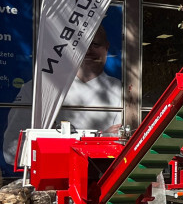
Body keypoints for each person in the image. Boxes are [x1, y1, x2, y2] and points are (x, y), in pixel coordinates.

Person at [3, 25, 122, 166]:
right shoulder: (36, 89)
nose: (89, 50)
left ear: (106, 48)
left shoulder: (121, 90)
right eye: (82, 45)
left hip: (106, 177)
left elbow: (126, 146)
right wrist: (101, 139)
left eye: (95, 44)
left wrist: (54, 138)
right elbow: (12, 151)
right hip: (51, 177)